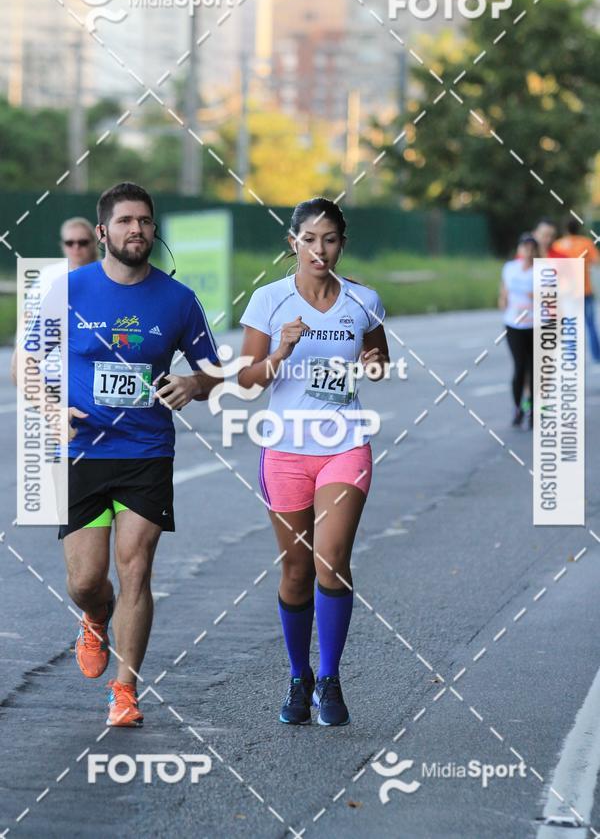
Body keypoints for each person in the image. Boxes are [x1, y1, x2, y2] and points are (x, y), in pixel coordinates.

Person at [61, 182, 222, 727]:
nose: (138, 230)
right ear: (103, 232)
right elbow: (27, 364)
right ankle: (93, 615)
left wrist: (193, 386)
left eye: (146, 221)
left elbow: (213, 373)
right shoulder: (71, 290)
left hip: (147, 451)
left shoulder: (178, 300)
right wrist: (48, 407)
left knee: (137, 567)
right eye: (127, 221)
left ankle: (124, 690)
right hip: (85, 450)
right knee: (86, 581)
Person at [238, 197, 389, 727]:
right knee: (297, 570)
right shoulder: (269, 300)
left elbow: (377, 364)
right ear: (293, 243)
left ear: (341, 243)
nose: (319, 249)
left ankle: (330, 677)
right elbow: (246, 378)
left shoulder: (363, 301)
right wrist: (278, 353)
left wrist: (373, 366)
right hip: (284, 448)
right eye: (310, 239)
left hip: (345, 445)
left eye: (330, 239)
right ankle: (298, 676)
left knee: (331, 558)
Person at [10, 217, 98, 385]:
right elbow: (29, 317)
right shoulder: (48, 275)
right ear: (62, 245)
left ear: (94, 243)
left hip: (92, 368)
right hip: (52, 371)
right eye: (70, 242)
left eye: (83, 242)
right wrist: (21, 357)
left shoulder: (109, 276)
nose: (76, 247)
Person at [499, 233, 538, 428]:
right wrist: (503, 302)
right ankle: (517, 409)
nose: (529, 251)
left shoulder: (542, 271)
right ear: (519, 249)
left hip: (535, 325)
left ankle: (531, 409)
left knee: (534, 371)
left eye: (532, 248)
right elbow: (504, 292)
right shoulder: (510, 268)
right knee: (519, 367)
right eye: (525, 247)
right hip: (513, 324)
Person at [552, 218, 600, 362]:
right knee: (590, 325)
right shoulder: (586, 243)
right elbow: (596, 262)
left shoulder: (558, 245)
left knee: (569, 325)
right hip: (584, 290)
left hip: (566, 293)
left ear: (565, 230)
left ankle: (570, 357)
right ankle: (597, 356)